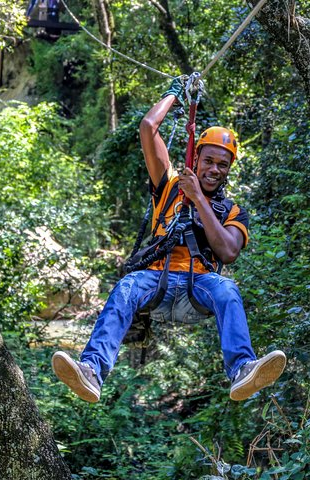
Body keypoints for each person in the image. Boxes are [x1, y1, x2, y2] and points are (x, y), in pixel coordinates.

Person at [52, 78, 286, 403]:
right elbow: (148, 127)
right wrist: (174, 94)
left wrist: (199, 201)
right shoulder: (169, 185)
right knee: (126, 287)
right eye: (208, 161)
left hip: (199, 288)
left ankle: (242, 369)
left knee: (228, 289)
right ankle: (92, 370)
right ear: (196, 159)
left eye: (223, 164)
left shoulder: (232, 211)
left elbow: (229, 252)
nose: (214, 169)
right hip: (157, 282)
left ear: (229, 169)